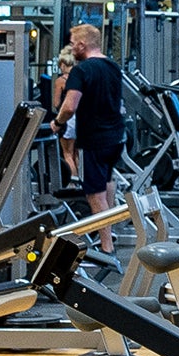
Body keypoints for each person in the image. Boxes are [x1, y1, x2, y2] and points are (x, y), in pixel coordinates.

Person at [53, 23, 123, 217]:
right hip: (115, 138)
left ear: (82, 45)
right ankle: (110, 231)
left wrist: (57, 123)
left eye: (73, 43)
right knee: (107, 182)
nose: (72, 48)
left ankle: (107, 246)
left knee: (94, 194)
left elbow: (69, 106)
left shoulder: (81, 71)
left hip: (94, 140)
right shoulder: (113, 67)